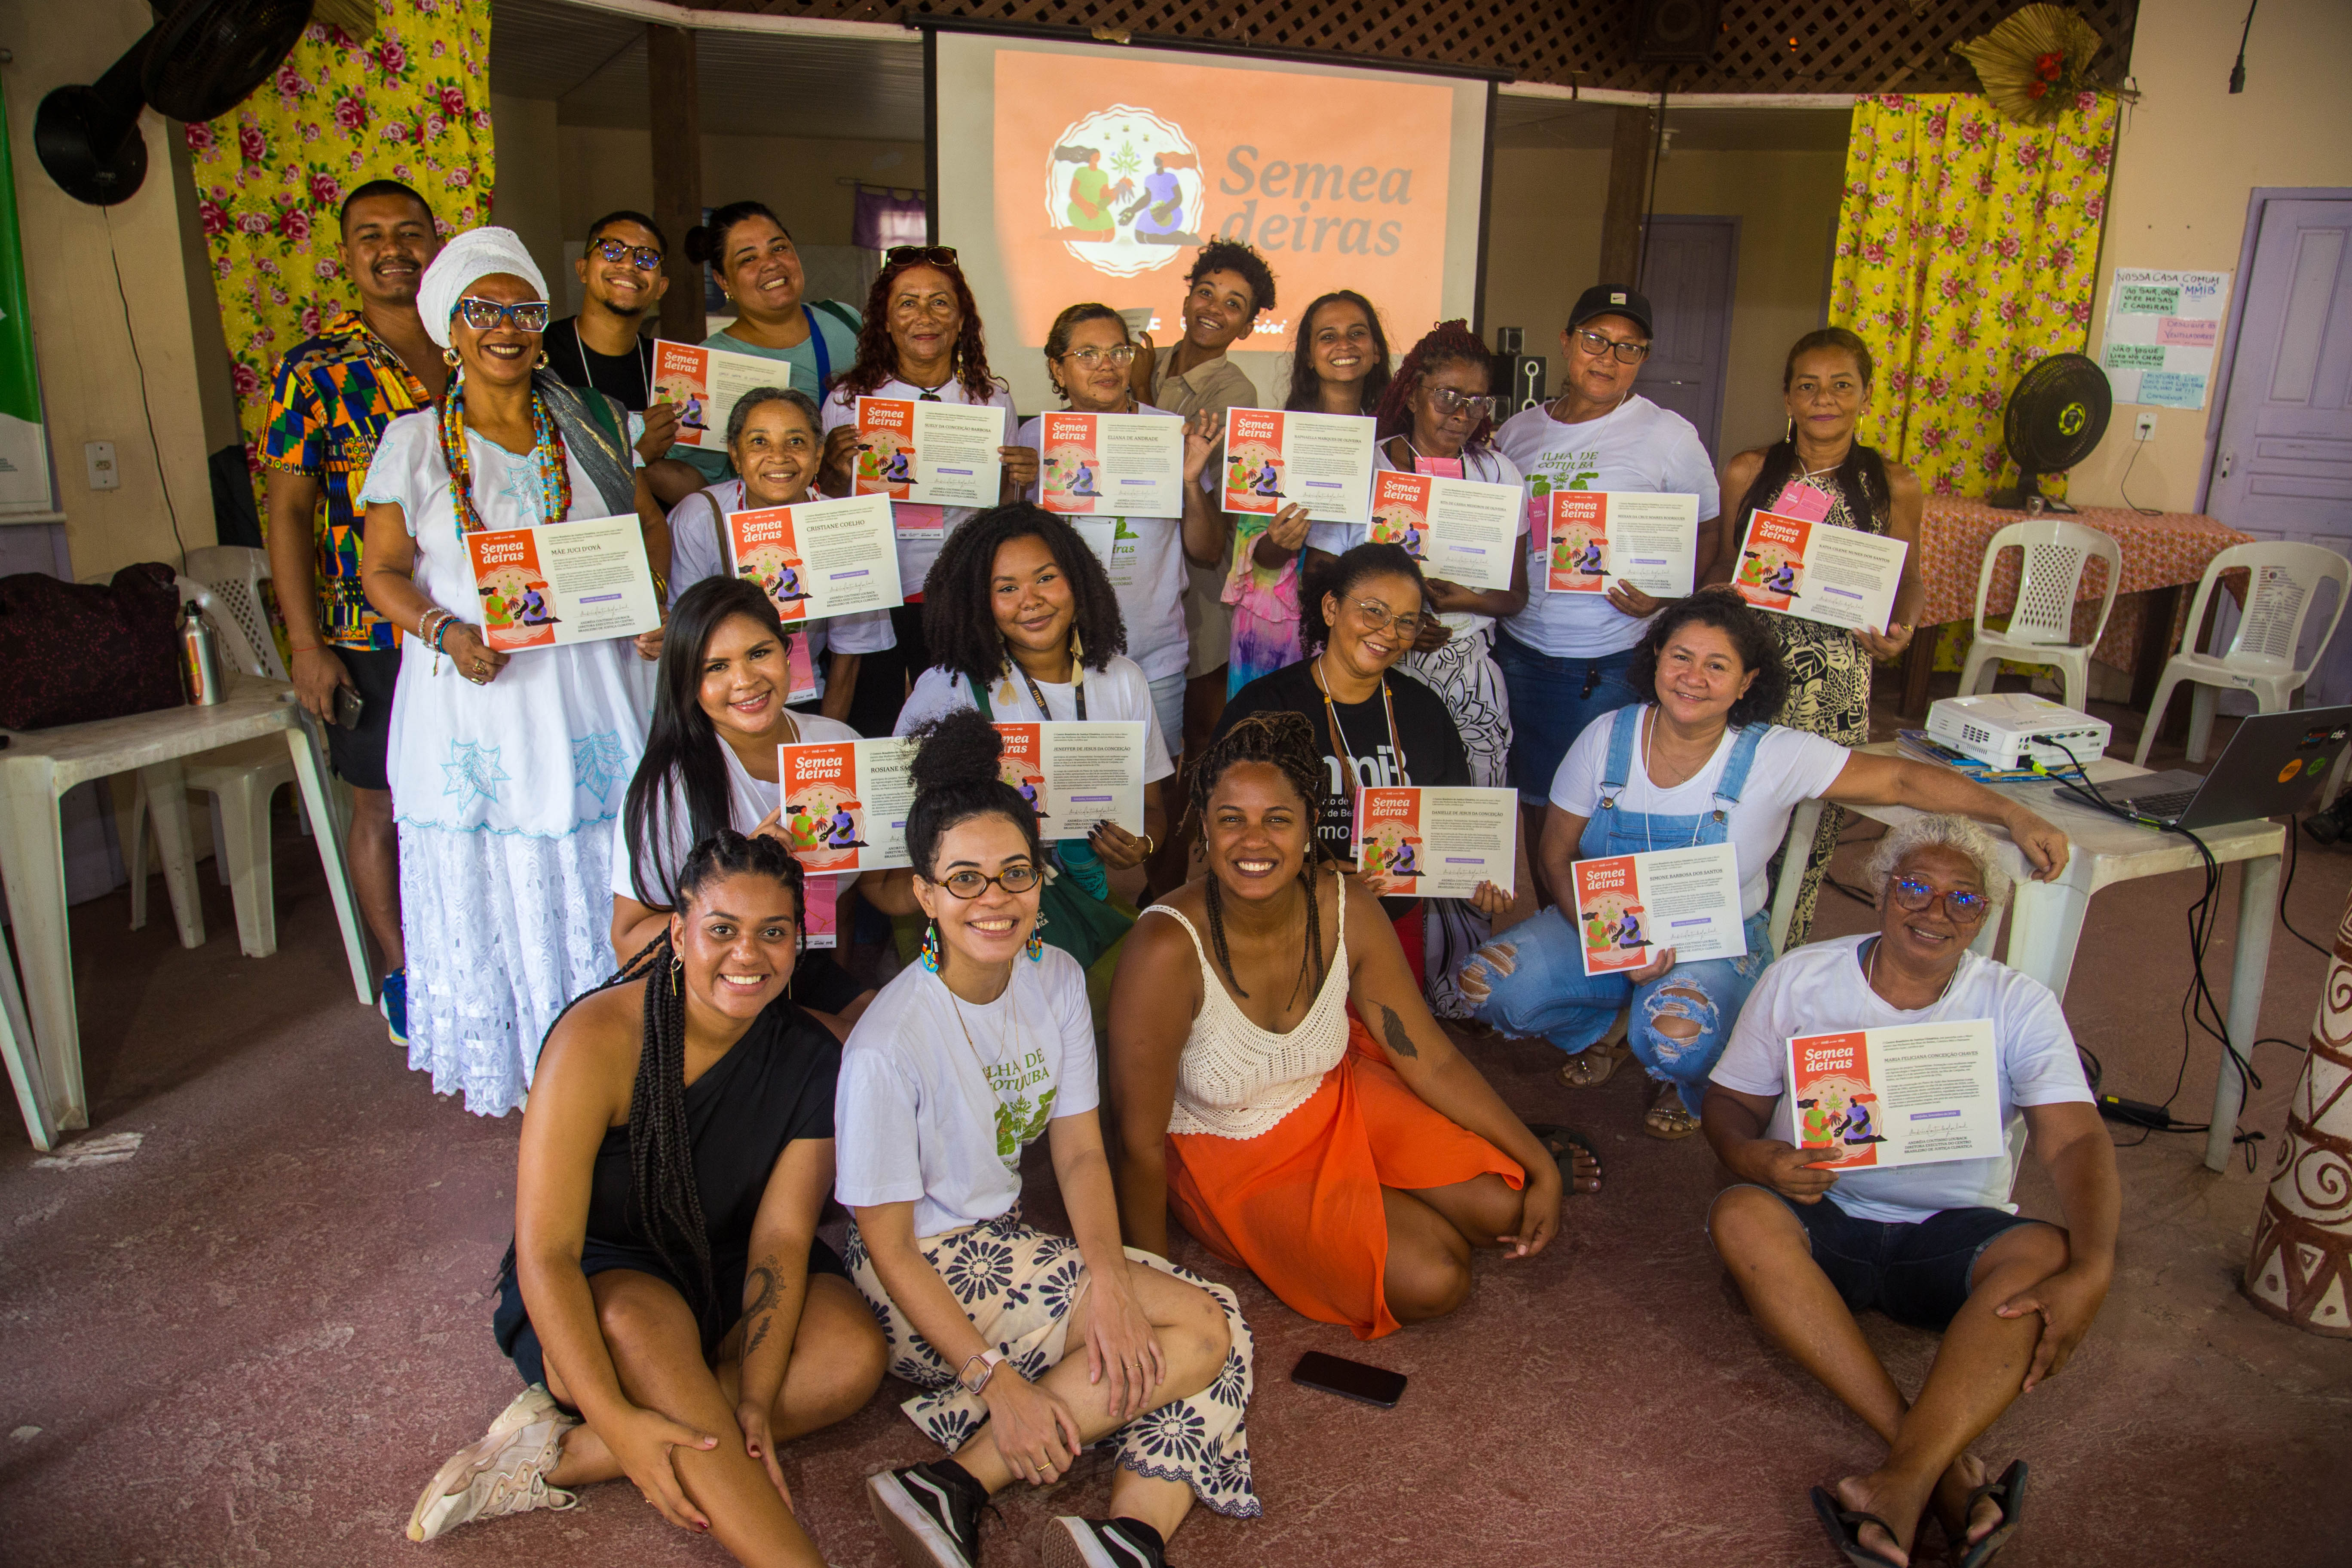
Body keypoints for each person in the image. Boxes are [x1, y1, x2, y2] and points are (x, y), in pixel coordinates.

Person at [837, 710, 1258, 1568]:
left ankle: (1123, 1539)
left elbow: (1077, 1151)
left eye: (1014, 873)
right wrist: (995, 1380)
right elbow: (889, 1245)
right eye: (964, 879)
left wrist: (1110, 1283)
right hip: (918, 1277)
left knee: (1201, 1331)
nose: (993, 898)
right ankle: (962, 1480)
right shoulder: (889, 1044)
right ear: (924, 894)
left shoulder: (1055, 976)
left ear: (1040, 877)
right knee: (1205, 1331)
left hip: (1002, 1245)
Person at [405, 832, 888, 1561]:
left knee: (851, 1355)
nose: (748, 954)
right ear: (678, 933)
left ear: (799, 942)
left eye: (773, 933)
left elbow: (781, 1239)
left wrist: (757, 1397)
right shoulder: (595, 1037)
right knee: (636, 1324)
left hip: (724, 1259)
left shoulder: (814, 1058)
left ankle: (566, 1454)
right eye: (722, 929)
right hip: (606, 1269)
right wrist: (617, 1420)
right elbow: (547, 1251)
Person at [1457, 589, 2071, 1140]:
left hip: (1714, 941)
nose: (1693, 678)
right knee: (1486, 985)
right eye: (1681, 657)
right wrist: (1619, 950)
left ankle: (1695, 1081)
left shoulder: (1775, 756)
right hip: (1604, 927)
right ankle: (1613, 1023)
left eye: (1717, 666)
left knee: (1675, 1040)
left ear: (1747, 681)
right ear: (1656, 658)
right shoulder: (1606, 736)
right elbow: (1555, 855)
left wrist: (2012, 813)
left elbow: (1902, 779)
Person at [1703, 815, 2116, 1568]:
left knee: (2048, 1254)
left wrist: (2093, 1267)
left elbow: (2076, 1141)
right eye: (1916, 887)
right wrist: (1757, 1158)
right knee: (1739, 1214)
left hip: (1950, 1235)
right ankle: (1933, 1470)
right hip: (1825, 1217)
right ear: (1880, 890)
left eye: (1963, 898)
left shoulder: (2016, 1002)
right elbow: (1729, 1102)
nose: (1936, 911)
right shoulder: (1802, 976)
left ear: (1983, 917)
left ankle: (1898, 1481)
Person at [1106, 710, 1586, 1342]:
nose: (1254, 842)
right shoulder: (1166, 948)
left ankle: (1434, 1177)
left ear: (1310, 823)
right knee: (1437, 1277)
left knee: (1510, 1207)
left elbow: (1431, 1056)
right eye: (1232, 820)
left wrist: (1540, 1163)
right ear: (1204, 826)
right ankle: (1392, 1202)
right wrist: (1151, 1285)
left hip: (1335, 1094)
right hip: (1230, 1149)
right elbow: (1138, 1143)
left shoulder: (1345, 905)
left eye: (1278, 819)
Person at [357, 227, 672, 1117]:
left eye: (525, 310)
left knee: (607, 855)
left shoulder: (593, 422)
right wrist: (445, 628)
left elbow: (648, 524)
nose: (508, 327)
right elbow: (381, 572)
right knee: (508, 865)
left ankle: (623, 1054)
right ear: (450, 328)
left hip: (594, 688)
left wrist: (651, 597)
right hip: (480, 693)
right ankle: (539, 1069)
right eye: (483, 310)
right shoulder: (415, 442)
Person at [261, 178, 445, 1047]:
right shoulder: (316, 369)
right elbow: (288, 513)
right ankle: (404, 968)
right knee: (378, 804)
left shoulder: (475, 345)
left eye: (409, 232)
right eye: (371, 235)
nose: (393, 250)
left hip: (478, 622)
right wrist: (304, 643)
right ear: (346, 254)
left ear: (435, 244)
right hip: (366, 629)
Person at [880, 503, 1175, 981]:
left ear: (1078, 581)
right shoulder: (949, 690)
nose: (1031, 600)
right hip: (989, 920)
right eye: (1007, 588)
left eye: (1046, 578)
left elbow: (1154, 810)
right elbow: (904, 834)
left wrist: (1142, 845)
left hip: (1096, 908)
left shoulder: (1123, 680)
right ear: (980, 602)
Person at [1493, 285, 1720, 886]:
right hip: (1521, 650)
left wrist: (1668, 596)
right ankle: (1557, 919)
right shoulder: (1517, 432)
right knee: (1536, 803)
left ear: (1643, 359)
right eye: (1596, 340)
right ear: (1567, 342)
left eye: (1628, 348)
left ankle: (1605, 926)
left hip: (1610, 656)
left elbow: (1708, 533)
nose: (1608, 358)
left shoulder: (1668, 435)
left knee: (1602, 807)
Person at [1713, 327, 1926, 948]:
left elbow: (1910, 578)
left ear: (1867, 395)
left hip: (1836, 687)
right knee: (1728, 821)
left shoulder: (1893, 483)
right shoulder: (1749, 471)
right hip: (1749, 676)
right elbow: (1723, 566)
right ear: (1787, 397)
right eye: (1808, 386)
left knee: (1806, 845)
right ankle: (1711, 963)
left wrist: (1903, 628)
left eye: (1841, 385)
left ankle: (1781, 965)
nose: (1823, 399)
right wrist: (1707, 599)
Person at [612, 574, 879, 1040]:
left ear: (788, 651)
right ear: (687, 680)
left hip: (799, 965)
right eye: (716, 667)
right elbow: (628, 943)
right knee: (856, 1051)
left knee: (892, 1035)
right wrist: (732, 880)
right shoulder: (669, 788)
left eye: (759, 653)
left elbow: (866, 891)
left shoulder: (838, 744)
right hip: (716, 985)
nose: (745, 680)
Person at [1018, 303, 1218, 895]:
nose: (1106, 365)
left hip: (1153, 654)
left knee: (1158, 800)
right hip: (1057, 660)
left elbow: (1207, 550)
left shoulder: (1169, 432)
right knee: (1059, 798)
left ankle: (1161, 912)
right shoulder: (1035, 438)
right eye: (1087, 354)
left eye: (1118, 352)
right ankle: (1075, 914)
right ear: (1058, 368)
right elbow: (1009, 549)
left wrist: (1190, 481)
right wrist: (1014, 483)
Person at [1215, 543, 1472, 991]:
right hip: (1286, 916)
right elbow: (1221, 827)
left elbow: (1455, 823)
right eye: (1374, 611)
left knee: (1391, 1032)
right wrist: (1310, 874)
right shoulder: (1265, 709)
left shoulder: (1424, 712)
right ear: (1331, 608)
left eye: (1406, 621)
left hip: (1390, 921)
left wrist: (1475, 874)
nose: (1389, 632)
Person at [818, 245, 1036, 737]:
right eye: (907, 303)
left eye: (940, 302)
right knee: (872, 721)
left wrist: (1017, 480)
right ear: (886, 322)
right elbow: (827, 509)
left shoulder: (990, 399)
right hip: (872, 590)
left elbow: (1000, 511)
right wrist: (830, 469)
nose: (925, 316)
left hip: (956, 590)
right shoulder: (850, 400)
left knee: (954, 725)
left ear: (961, 321)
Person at [1131, 239, 1281, 876]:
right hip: (1139, 569)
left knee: (1191, 744)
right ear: (1188, 296)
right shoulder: (1153, 361)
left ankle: (1169, 880)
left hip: (1196, 581)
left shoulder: (1234, 390)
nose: (1214, 309)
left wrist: (1137, 391)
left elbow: (1161, 471)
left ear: (1247, 327)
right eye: (1206, 292)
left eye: (1234, 305)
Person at [666, 385, 895, 726]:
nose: (779, 456)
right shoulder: (700, 518)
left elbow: (849, 654)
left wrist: (820, 738)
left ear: (818, 455)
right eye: (759, 442)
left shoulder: (846, 525)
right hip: (718, 699)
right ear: (735, 455)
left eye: (796, 442)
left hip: (807, 694)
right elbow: (686, 638)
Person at [1229, 291, 1392, 694]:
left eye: (1357, 333)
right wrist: (1280, 542)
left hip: (1359, 631)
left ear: (1376, 351)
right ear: (1307, 355)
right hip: (1276, 631)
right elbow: (1257, 560)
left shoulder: (1392, 448)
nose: (1344, 345)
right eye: (1328, 336)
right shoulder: (1273, 440)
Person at [672, 202, 864, 487]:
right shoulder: (709, 364)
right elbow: (694, 477)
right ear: (723, 281)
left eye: (779, 248)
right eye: (748, 259)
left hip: (868, 507)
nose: (771, 264)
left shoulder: (844, 319)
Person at [540, 210, 690, 477]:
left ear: (661, 287)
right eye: (611, 250)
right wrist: (638, 454)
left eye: (647, 258)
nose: (629, 265)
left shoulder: (674, 368)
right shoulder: (539, 354)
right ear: (583, 269)